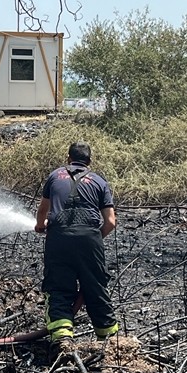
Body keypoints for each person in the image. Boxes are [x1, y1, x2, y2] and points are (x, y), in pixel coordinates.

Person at [33, 141, 119, 344]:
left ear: (68, 159)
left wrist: (39, 226)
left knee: (59, 286)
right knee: (96, 288)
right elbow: (111, 221)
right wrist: (94, 239)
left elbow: (43, 211)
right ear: (89, 162)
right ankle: (109, 341)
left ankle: (63, 339)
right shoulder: (99, 181)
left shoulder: (55, 176)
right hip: (90, 239)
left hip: (58, 239)